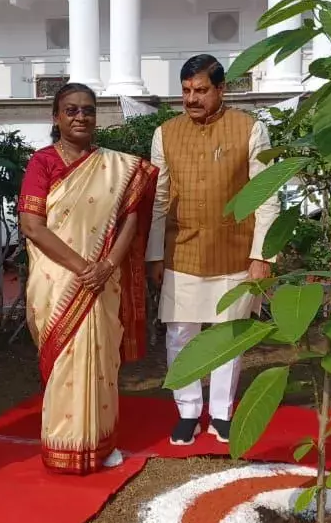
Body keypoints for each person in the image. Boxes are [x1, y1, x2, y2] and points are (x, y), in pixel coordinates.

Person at [18, 83, 158, 474]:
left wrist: (108, 264)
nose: (81, 117)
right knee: (65, 361)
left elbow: (130, 216)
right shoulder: (42, 163)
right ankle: (63, 445)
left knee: (101, 359)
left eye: (88, 110)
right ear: (56, 117)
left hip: (103, 277)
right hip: (60, 278)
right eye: (71, 110)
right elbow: (32, 225)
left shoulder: (118, 166)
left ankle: (100, 442)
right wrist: (84, 268)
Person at [146, 54, 280, 446]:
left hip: (235, 251)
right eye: (186, 90)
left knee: (228, 335)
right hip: (182, 250)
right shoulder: (166, 133)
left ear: (222, 89)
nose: (192, 98)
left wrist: (262, 256)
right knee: (180, 334)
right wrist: (154, 254)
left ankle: (220, 412)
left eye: (201, 90)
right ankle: (187, 410)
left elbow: (267, 197)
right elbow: (159, 198)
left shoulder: (249, 129)